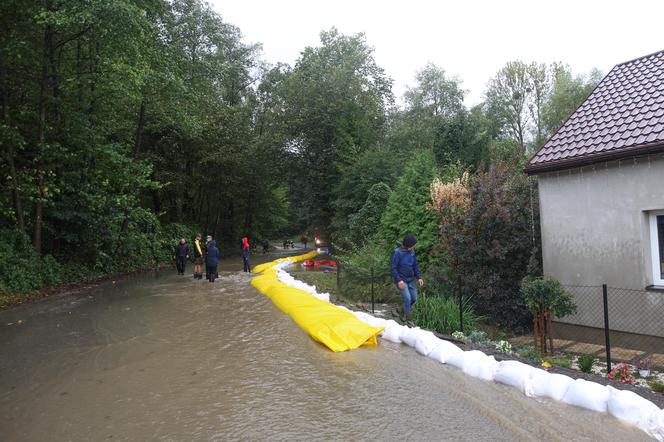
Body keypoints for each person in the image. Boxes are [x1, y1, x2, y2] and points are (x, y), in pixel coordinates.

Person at [390, 234, 424, 326]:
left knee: (414, 298)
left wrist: (419, 277)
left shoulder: (412, 251)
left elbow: (415, 265)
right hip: (401, 280)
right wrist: (399, 280)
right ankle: (409, 321)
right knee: (408, 299)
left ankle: (401, 310)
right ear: (408, 244)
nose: (414, 246)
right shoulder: (397, 252)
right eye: (413, 244)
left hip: (411, 279)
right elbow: (393, 268)